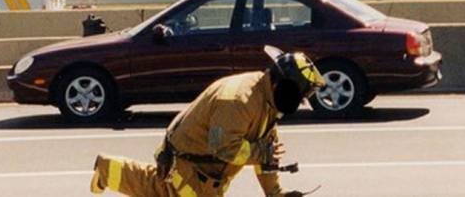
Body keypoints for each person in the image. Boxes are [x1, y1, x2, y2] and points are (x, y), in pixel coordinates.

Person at [89, 46, 323, 196]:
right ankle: (106, 168)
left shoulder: (269, 105)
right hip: (189, 163)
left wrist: (275, 193)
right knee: (160, 188)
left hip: (208, 171)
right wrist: (259, 153)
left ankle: (107, 168)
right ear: (280, 85)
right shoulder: (239, 101)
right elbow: (222, 147)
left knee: (156, 188)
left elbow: (266, 153)